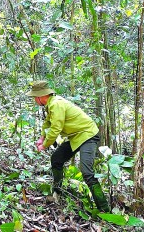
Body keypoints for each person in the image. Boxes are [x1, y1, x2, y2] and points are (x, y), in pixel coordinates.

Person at [26, 81, 110, 212]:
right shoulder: (51, 104)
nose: (34, 100)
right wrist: (42, 137)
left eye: (34, 98)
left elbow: (55, 128)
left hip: (87, 135)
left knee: (87, 173)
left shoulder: (56, 104)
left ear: (40, 96)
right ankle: (57, 192)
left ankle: (104, 209)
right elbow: (47, 123)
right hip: (76, 137)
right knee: (56, 159)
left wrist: (45, 145)